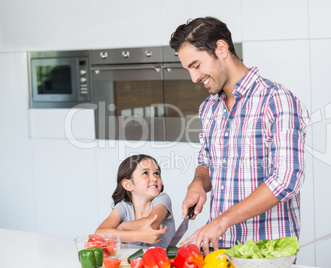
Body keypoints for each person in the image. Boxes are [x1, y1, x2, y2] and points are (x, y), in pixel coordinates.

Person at [169, 17, 310, 254]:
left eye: (196, 65)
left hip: (267, 251)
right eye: (189, 70)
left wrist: (222, 221)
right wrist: (198, 183)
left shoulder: (276, 100)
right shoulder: (209, 108)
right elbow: (206, 162)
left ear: (221, 49)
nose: (194, 78)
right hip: (220, 248)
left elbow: (286, 179)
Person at [95, 154, 175, 248]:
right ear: (128, 185)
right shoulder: (123, 207)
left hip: (162, 261)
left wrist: (123, 227)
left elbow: (152, 223)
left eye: (156, 173)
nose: (154, 178)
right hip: (132, 261)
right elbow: (99, 234)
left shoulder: (162, 199)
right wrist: (140, 236)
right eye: (145, 173)